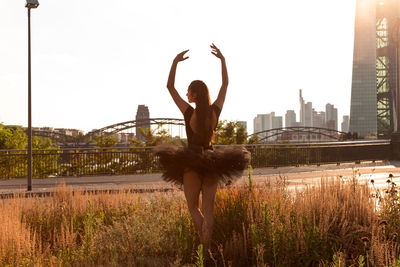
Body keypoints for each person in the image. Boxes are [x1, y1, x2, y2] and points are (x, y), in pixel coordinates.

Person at [155, 44, 250, 255]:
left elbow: (169, 87)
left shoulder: (189, 113)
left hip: (190, 162)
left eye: (189, 92)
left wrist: (174, 62)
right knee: (209, 211)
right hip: (212, 161)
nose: (186, 94)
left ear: (195, 94)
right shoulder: (215, 112)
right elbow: (225, 84)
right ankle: (206, 250)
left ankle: (202, 250)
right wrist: (223, 61)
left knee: (193, 208)